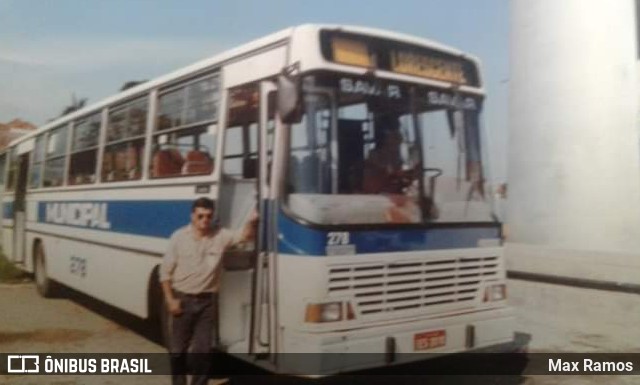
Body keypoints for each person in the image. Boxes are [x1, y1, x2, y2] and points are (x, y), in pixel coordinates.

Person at [160, 197, 257, 385]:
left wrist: (251, 221)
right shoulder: (178, 237)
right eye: (200, 216)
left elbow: (244, 236)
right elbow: (165, 273)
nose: (204, 220)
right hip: (183, 300)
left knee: (203, 351)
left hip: (206, 303)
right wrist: (170, 300)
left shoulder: (220, 236)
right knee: (178, 350)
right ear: (192, 216)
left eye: (208, 216)